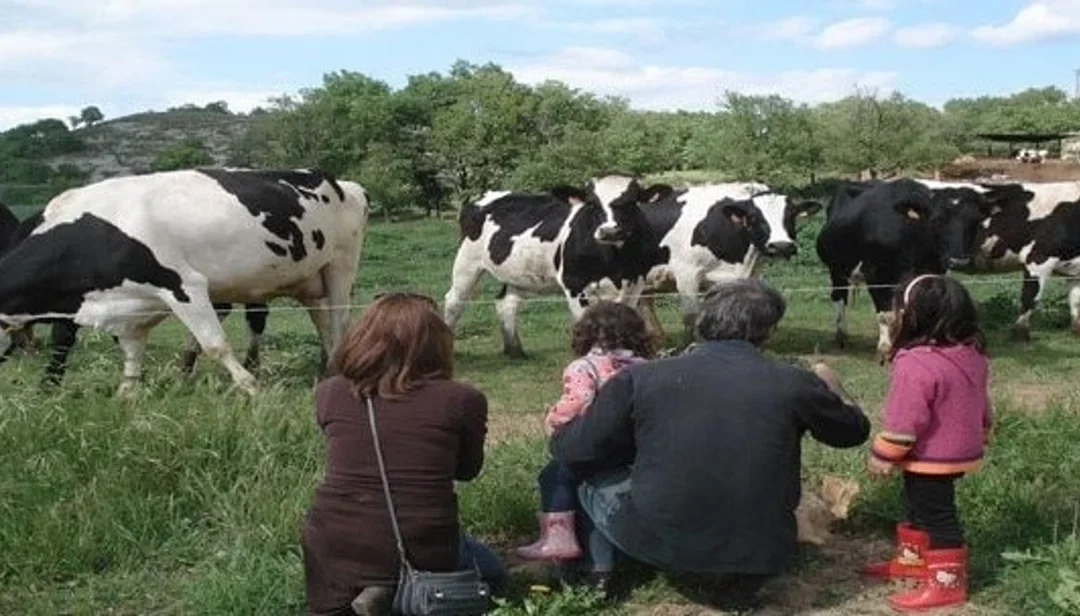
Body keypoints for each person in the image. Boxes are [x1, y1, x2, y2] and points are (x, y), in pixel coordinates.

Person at [549, 278, 871, 608]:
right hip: (765, 549)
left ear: (703, 322)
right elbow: (852, 433)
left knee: (587, 476)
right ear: (771, 330)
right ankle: (737, 580)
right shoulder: (794, 382)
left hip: (664, 545)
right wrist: (833, 386)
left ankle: (596, 572)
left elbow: (572, 450)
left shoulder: (641, 378)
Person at [300, 292, 506, 616]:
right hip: (420, 536)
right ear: (435, 344)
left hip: (332, 537)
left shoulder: (330, 392)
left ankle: (370, 592)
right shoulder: (462, 399)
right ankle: (393, 586)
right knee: (493, 570)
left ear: (363, 338)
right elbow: (467, 470)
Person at [862, 274, 991, 612]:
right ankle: (912, 562)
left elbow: (906, 420)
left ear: (912, 315)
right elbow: (981, 401)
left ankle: (948, 583)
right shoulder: (972, 353)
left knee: (938, 516)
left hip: (930, 454)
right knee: (915, 504)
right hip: (960, 448)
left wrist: (883, 454)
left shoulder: (915, 361)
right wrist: (984, 431)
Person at [514, 301, 652, 562]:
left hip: (597, 444)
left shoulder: (584, 367)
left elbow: (579, 401)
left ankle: (558, 538)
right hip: (634, 447)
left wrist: (554, 418)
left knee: (555, 475)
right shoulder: (645, 366)